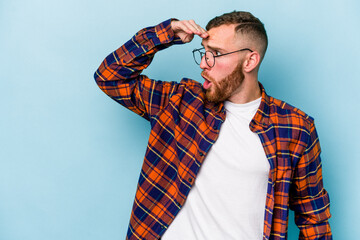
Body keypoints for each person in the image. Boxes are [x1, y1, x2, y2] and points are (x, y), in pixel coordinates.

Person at [94, 11, 332, 240]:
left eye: (215, 53)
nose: (204, 64)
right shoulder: (180, 102)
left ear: (250, 60)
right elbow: (109, 76)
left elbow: (314, 219)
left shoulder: (295, 128)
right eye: (204, 52)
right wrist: (166, 33)